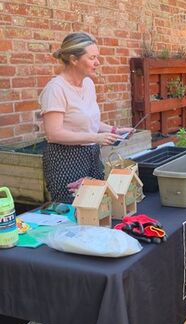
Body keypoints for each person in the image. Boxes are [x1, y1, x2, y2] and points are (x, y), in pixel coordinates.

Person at [39, 32, 133, 203]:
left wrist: (115, 131)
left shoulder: (88, 84)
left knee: (99, 205)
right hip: (65, 160)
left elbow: (89, 121)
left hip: (91, 155)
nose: (98, 62)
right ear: (74, 60)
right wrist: (96, 137)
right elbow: (54, 134)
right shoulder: (55, 89)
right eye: (92, 58)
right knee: (75, 210)